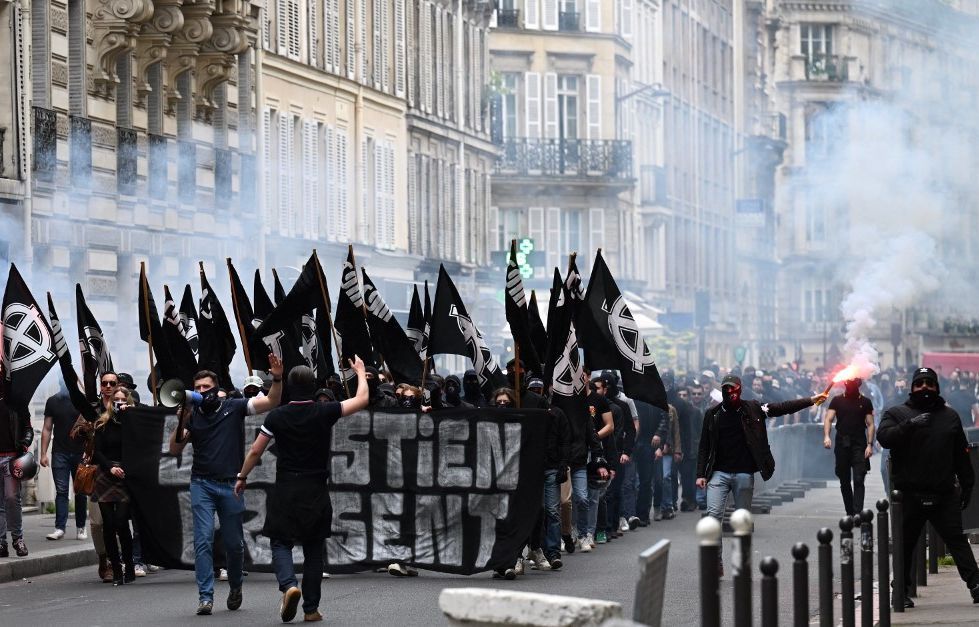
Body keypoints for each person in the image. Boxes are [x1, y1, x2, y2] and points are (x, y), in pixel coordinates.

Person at [235, 358, 369, 622]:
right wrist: (361, 373)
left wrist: (242, 476)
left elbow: (255, 450)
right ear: (313, 386)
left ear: (290, 387)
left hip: (286, 487)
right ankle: (311, 608)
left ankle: (288, 585)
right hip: (316, 488)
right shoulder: (324, 411)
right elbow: (362, 399)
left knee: (280, 542)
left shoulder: (277, 416)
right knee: (314, 548)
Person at [169, 353, 283, 616]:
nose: (200, 392)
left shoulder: (234, 406)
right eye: (196, 388)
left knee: (234, 544)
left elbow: (273, 401)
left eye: (205, 387)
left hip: (230, 485)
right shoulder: (192, 414)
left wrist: (276, 377)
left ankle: (235, 586)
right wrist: (182, 419)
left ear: (216, 389)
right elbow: (175, 449)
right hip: (201, 484)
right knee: (203, 541)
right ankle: (205, 597)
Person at [696, 375, 826, 575]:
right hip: (718, 473)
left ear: (740, 389)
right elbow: (704, 445)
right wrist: (700, 474)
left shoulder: (753, 408)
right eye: (726, 389)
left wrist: (810, 400)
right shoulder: (712, 414)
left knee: (742, 522)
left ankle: (741, 562)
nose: (730, 393)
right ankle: (716, 562)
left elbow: (782, 407)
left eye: (733, 388)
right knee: (713, 518)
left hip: (743, 473)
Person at [877, 366, 979, 608]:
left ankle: (976, 585)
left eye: (929, 383)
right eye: (919, 383)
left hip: (943, 493)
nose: (924, 387)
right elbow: (884, 438)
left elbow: (961, 455)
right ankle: (899, 592)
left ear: (937, 387)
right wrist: (909, 425)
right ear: (912, 387)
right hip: (909, 494)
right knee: (905, 546)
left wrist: (968, 484)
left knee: (957, 542)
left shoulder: (950, 416)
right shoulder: (896, 412)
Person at [92, 386, 136, 584]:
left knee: (121, 521)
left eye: (122, 399)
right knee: (108, 524)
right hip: (106, 474)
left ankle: (130, 565)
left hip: (126, 475)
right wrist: (110, 467)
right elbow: (97, 452)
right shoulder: (102, 423)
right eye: (115, 399)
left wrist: (129, 418)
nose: (118, 402)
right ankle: (116, 568)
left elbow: (140, 447)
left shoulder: (133, 422)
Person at [39, 385, 88, 541]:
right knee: (61, 491)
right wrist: (43, 454)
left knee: (80, 491)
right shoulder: (53, 401)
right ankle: (60, 527)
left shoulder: (83, 400)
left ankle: (81, 527)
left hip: (80, 452)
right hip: (60, 452)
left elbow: (92, 426)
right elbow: (47, 428)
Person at [822, 378, 874, 516]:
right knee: (844, 480)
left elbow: (870, 424)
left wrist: (870, 444)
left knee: (858, 478)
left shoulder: (865, 401)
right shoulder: (837, 400)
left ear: (859, 384)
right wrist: (826, 436)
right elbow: (828, 418)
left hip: (859, 444)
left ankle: (857, 513)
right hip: (842, 443)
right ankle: (850, 512)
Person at [0, 393, 33, 558]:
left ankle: (17, 539)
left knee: (12, 498)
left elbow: (28, 428)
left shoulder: (17, 400)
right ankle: (1, 543)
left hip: (11, 457)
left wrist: (25, 443)